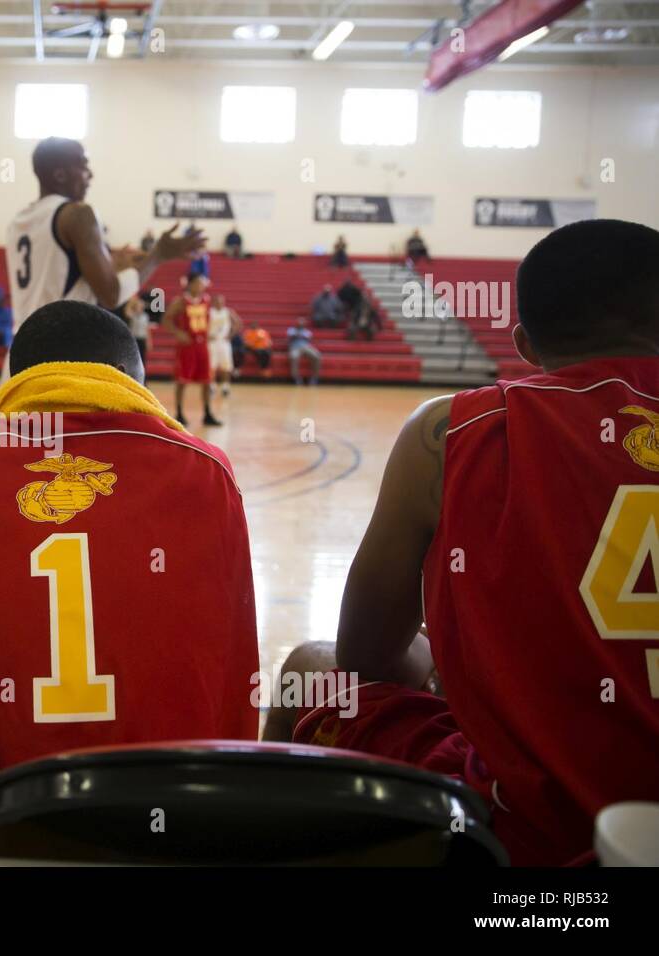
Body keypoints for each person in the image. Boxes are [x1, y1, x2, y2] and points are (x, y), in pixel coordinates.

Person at [265, 219, 659, 866]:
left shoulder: (450, 430)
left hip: (531, 831)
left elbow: (365, 654)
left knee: (313, 667)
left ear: (525, 346)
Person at [0, 301, 259, 851]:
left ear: (16, 380)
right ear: (132, 382)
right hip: (171, 817)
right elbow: (231, 671)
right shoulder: (209, 473)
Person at [5, 137, 204, 377]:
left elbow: (62, 275)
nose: (90, 174)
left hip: (17, 358)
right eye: (83, 164)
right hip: (61, 359)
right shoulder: (78, 214)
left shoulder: (17, 222)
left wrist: (111, 266)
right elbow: (110, 294)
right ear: (60, 174)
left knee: (22, 418)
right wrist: (158, 254)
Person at [165, 273, 221, 427]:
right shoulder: (180, 301)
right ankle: (179, 412)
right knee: (182, 380)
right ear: (190, 284)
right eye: (198, 283)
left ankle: (208, 413)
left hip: (202, 345)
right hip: (187, 346)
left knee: (207, 380)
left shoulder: (207, 300)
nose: (201, 287)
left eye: (203, 284)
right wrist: (178, 333)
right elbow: (166, 320)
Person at [208, 293, 240, 396]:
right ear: (213, 302)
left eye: (221, 301)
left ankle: (225, 387)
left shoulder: (227, 312)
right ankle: (211, 386)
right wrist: (205, 335)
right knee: (211, 366)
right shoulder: (209, 312)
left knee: (226, 366)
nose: (219, 303)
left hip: (224, 342)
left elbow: (238, 323)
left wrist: (230, 335)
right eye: (217, 301)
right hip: (211, 342)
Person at [285, 317, 321, 386]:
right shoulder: (291, 330)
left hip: (306, 347)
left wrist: (299, 335)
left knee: (317, 356)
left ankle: (314, 377)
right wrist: (298, 335)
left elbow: (309, 339)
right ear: (296, 324)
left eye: (302, 323)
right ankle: (296, 378)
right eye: (299, 323)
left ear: (304, 324)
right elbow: (290, 337)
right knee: (293, 357)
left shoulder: (307, 331)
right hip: (295, 347)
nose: (300, 324)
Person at [122, 293, 150, 366]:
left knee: (143, 357)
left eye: (141, 306)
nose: (140, 307)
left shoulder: (145, 316)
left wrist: (149, 341)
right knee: (134, 357)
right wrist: (132, 301)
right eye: (138, 306)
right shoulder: (132, 315)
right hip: (135, 339)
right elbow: (126, 311)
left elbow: (147, 329)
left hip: (142, 338)